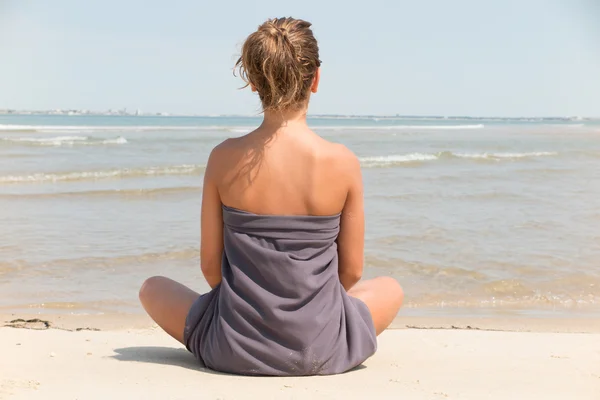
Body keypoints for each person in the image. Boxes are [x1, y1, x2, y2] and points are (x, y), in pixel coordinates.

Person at [138, 17, 403, 376]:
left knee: (152, 288)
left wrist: (256, 307)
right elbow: (352, 272)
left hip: (234, 346)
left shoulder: (223, 157)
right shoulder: (341, 162)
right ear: (316, 80)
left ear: (253, 83)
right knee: (390, 288)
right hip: (320, 347)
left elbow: (211, 269)